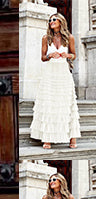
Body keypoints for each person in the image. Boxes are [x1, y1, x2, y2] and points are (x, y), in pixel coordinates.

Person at [29, 13, 80, 149]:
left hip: (63, 73)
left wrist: (67, 55)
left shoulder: (69, 38)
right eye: (50, 20)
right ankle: (47, 139)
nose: (51, 22)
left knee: (66, 102)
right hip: (49, 73)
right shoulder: (46, 38)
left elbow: (74, 55)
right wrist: (49, 55)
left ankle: (72, 138)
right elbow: (42, 57)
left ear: (60, 22)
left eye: (54, 19)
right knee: (49, 102)